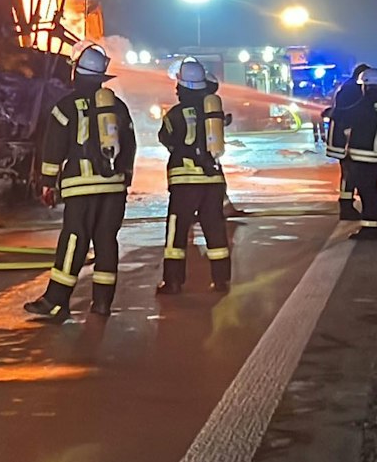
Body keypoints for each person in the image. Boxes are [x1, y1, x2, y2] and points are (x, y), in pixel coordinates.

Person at [24, 44, 135, 322]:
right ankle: (102, 304)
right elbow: (130, 145)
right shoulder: (117, 107)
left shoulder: (64, 107)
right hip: (113, 187)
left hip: (80, 188)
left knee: (74, 239)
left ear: (76, 73)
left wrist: (48, 183)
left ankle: (56, 301)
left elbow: (53, 148)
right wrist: (125, 176)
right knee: (107, 241)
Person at [157, 58, 231, 294]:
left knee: (177, 231)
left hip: (185, 182)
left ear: (184, 85)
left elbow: (165, 137)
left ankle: (173, 281)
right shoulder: (213, 112)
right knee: (215, 228)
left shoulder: (175, 114)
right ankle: (221, 280)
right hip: (213, 180)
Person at [336, 67, 377, 239]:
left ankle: (371, 228)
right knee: (371, 189)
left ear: (368, 86)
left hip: (362, 155)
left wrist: (333, 113)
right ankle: (372, 225)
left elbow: (350, 116)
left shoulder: (367, 104)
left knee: (366, 191)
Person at [325, 63, 373, 220]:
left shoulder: (347, 87)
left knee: (348, 172)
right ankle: (346, 208)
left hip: (340, 136)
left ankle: (346, 204)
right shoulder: (355, 90)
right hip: (344, 137)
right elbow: (356, 112)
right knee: (350, 172)